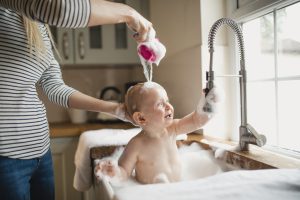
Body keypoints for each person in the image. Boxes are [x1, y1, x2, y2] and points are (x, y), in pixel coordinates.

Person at [0, 0, 152, 199]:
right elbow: (62, 8)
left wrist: (115, 109)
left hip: (40, 152)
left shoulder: (36, 24)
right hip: (5, 157)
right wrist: (130, 13)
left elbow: (54, 87)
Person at [95, 82, 219, 184]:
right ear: (141, 118)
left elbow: (197, 120)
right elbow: (124, 173)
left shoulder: (173, 129)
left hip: (178, 190)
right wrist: (114, 171)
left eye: (167, 101)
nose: (168, 106)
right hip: (152, 194)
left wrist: (209, 103)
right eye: (160, 104)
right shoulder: (136, 145)